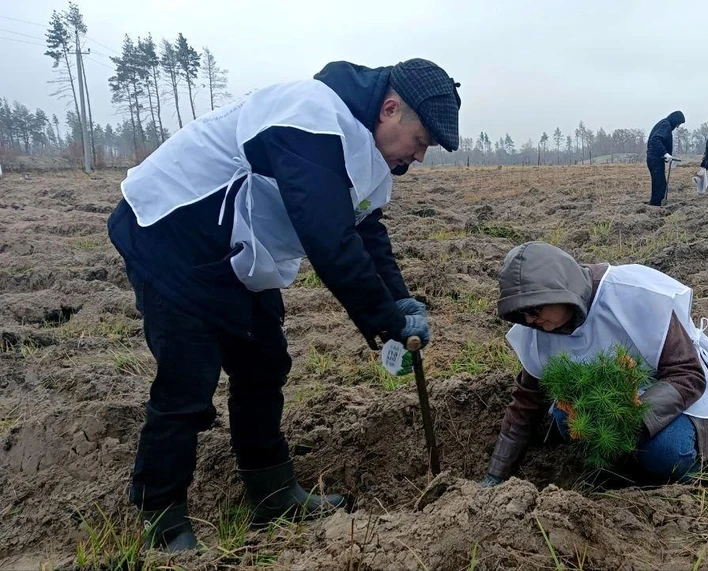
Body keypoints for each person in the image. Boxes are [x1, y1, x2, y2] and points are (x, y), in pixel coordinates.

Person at [107, 58, 461, 551]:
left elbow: (366, 231)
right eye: (420, 141)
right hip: (171, 234)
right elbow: (329, 239)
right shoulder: (309, 116)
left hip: (232, 248)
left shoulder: (367, 154)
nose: (419, 156)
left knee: (264, 365)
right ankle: (161, 519)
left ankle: (273, 494)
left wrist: (399, 301)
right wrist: (384, 322)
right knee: (189, 381)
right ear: (389, 108)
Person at [479, 242, 708, 488]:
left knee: (666, 452)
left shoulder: (630, 295)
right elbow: (526, 402)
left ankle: (677, 472)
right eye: (522, 314)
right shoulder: (537, 328)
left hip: (668, 398)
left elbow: (687, 375)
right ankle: (617, 466)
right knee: (564, 417)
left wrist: (630, 420)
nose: (529, 320)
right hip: (607, 403)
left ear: (561, 290)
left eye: (535, 310)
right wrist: (496, 475)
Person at [646, 111, 685, 206]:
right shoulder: (666, 125)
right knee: (658, 184)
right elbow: (655, 139)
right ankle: (656, 205)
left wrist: (665, 155)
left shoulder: (664, 123)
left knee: (660, 183)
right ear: (675, 120)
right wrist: (665, 153)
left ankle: (657, 203)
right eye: (678, 123)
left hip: (655, 158)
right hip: (655, 159)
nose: (677, 126)